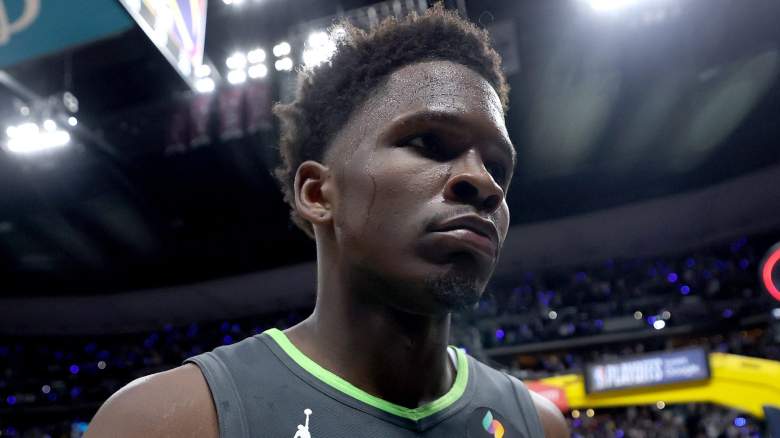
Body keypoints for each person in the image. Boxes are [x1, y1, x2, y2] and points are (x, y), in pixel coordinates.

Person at [85, 4, 568, 437]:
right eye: (429, 144)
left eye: (498, 167)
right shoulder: (165, 421)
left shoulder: (539, 426)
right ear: (318, 193)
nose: (483, 183)